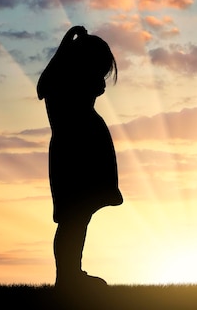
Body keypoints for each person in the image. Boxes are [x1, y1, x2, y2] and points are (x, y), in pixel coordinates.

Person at [37, 25, 123, 290]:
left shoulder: (61, 82)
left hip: (80, 151)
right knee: (73, 219)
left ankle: (71, 273)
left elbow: (47, 80)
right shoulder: (64, 84)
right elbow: (48, 81)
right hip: (77, 153)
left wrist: (70, 40)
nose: (102, 78)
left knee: (77, 218)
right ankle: (68, 276)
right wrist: (70, 41)